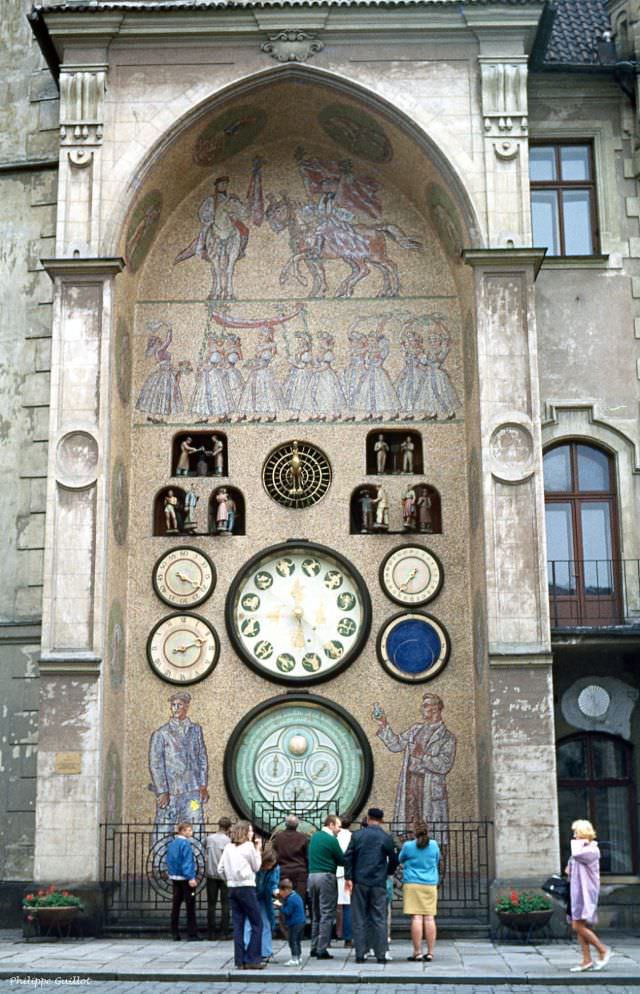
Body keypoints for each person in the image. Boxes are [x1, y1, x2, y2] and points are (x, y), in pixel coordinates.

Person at [375, 692, 456, 829]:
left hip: (429, 785)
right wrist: (383, 724)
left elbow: (444, 765)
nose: (421, 709)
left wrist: (423, 756)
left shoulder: (447, 737)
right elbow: (396, 745)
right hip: (411, 781)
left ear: (435, 708)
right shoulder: (415, 730)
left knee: (430, 826)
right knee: (409, 820)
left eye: (425, 706)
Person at [148, 692, 209, 836]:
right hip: (170, 793)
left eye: (179, 705)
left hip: (192, 793)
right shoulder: (161, 733)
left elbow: (202, 758)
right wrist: (162, 790)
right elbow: (155, 764)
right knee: (164, 830)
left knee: (196, 827)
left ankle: (196, 858)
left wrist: (203, 785)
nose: (175, 708)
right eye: (173, 705)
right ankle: (160, 859)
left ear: (186, 707)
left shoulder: (196, 730)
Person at [344, 806, 398, 964]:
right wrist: (388, 871)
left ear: (367, 818)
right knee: (379, 918)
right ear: (381, 820)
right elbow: (394, 859)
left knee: (359, 917)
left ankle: (360, 953)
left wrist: (349, 876)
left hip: (360, 881)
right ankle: (381, 953)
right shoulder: (385, 837)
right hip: (378, 882)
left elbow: (347, 857)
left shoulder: (357, 835)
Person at [217, 820, 265, 970]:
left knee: (238, 925)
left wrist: (229, 880)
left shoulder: (228, 847)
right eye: (250, 831)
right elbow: (256, 867)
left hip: (232, 887)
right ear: (245, 832)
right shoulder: (249, 846)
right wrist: (258, 849)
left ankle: (239, 960)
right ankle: (252, 958)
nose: (252, 833)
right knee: (257, 923)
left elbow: (220, 868)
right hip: (246, 887)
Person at [567, 819, 612, 972]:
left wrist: (575, 852)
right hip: (577, 892)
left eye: (576, 833)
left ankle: (602, 950)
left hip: (585, 893)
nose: (574, 836)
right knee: (580, 925)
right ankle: (586, 960)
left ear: (584, 833)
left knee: (577, 925)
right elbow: (569, 869)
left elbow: (577, 855)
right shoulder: (581, 850)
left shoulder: (591, 850)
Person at [399, 820, 440, 961]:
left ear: (414, 832)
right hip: (430, 884)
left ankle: (417, 952)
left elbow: (400, 859)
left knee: (416, 917)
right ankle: (430, 952)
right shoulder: (434, 845)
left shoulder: (408, 846)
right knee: (429, 917)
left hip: (412, 883)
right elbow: (437, 860)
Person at [307, 814, 344, 959]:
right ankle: (322, 949)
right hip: (326, 877)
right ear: (331, 824)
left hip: (312, 876)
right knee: (327, 913)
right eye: (338, 826)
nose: (339, 829)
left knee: (315, 913)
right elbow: (341, 859)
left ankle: (314, 946)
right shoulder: (331, 840)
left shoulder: (315, 837)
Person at [244, 846, 281, 962]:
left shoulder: (275, 869)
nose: (269, 867)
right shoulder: (255, 866)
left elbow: (274, 883)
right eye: (268, 864)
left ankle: (266, 951)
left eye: (272, 865)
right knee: (249, 923)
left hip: (264, 897)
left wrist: (275, 891)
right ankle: (247, 949)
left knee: (265, 923)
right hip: (252, 895)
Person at [166, 821, 201, 941]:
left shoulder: (172, 843)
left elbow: (170, 859)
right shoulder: (185, 844)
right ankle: (192, 933)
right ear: (183, 831)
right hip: (186, 878)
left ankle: (174, 931)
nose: (191, 832)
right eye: (189, 830)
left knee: (176, 905)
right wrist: (191, 877)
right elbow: (187, 862)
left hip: (175, 877)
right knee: (190, 905)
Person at [271, 814, 309, 899]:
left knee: (284, 900)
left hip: (283, 872)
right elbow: (307, 857)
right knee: (299, 900)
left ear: (286, 824)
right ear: (297, 825)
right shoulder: (303, 838)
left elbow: (274, 856)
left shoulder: (278, 838)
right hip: (300, 873)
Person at [205, 817, 232, 939]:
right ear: (229, 828)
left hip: (211, 874)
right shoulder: (228, 841)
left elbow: (205, 853)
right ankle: (224, 932)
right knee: (225, 904)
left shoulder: (209, 839)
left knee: (211, 904)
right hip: (224, 876)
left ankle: (211, 932)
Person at [278, 877, 306, 967]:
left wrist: (280, 906)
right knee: (297, 941)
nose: (280, 894)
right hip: (301, 922)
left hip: (294, 923)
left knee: (292, 941)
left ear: (286, 890)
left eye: (281, 892)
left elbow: (287, 912)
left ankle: (294, 958)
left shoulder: (291, 900)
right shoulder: (296, 896)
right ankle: (298, 957)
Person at [336, 816, 353, 947]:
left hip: (334, 872)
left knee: (332, 905)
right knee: (347, 905)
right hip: (347, 873)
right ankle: (348, 937)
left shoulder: (334, 837)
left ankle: (335, 933)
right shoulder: (353, 837)